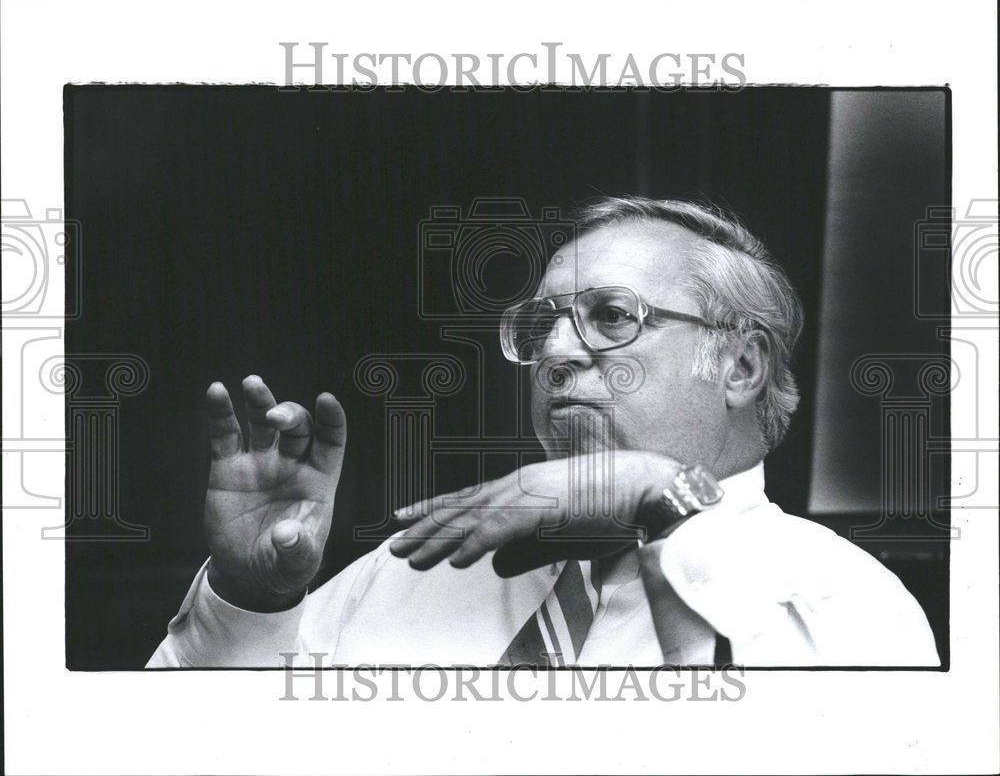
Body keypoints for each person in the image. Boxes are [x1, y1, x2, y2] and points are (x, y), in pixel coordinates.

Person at [148, 197, 939, 668]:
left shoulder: (845, 600)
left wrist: (663, 504)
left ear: (739, 364)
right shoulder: (412, 567)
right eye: (541, 325)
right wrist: (252, 599)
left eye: (610, 317)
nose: (556, 352)